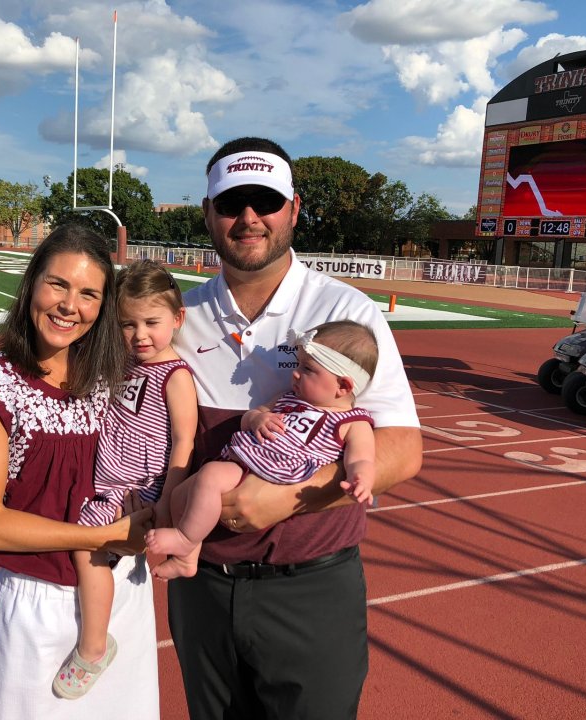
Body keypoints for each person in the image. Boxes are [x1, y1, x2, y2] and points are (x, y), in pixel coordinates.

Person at [168, 137, 423, 720]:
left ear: (294, 208)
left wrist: (284, 499)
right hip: (202, 583)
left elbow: (403, 451)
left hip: (311, 587)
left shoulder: (349, 312)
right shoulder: (179, 316)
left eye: (266, 201)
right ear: (208, 212)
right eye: (232, 203)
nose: (250, 218)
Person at [0, 224, 159, 720]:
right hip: (39, 606)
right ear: (31, 284)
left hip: (122, 595)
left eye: (88, 294)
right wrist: (102, 535)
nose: (70, 305)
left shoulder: (119, 374)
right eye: (58, 284)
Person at [55, 259, 197, 699]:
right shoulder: (125, 365)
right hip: (108, 479)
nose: (139, 335)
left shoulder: (175, 376)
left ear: (177, 319)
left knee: (86, 545)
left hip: (141, 488)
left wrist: (165, 505)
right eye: (127, 324)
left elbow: (184, 443)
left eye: (152, 323)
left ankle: (94, 646)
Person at [147, 320, 377, 579]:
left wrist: (361, 479)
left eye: (308, 369)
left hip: (272, 474)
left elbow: (362, 458)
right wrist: (257, 419)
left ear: (343, 387)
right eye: (298, 364)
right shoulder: (287, 398)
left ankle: (185, 538)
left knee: (210, 477)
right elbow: (254, 414)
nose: (296, 373)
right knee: (181, 495)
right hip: (246, 460)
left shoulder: (352, 422)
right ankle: (187, 560)